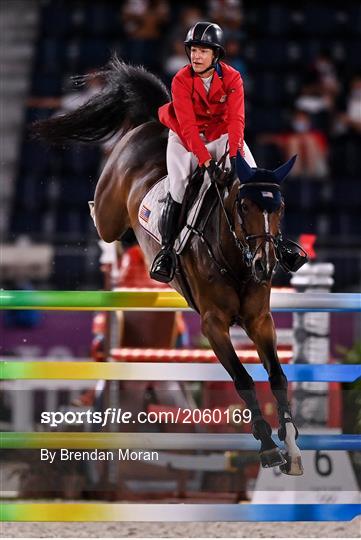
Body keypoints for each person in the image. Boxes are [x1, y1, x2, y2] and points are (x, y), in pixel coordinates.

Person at [150, 21, 306, 283]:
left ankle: (279, 246)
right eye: (193, 50)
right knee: (178, 185)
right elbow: (188, 127)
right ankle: (167, 251)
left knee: (257, 182)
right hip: (186, 138)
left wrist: (234, 156)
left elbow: (236, 121)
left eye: (203, 51)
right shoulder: (181, 79)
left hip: (222, 134)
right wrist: (205, 160)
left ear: (216, 54)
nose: (196, 56)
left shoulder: (232, 77)